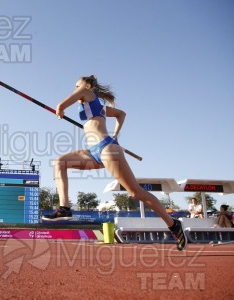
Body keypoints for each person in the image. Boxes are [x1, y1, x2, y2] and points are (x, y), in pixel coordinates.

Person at [41, 75, 187, 251]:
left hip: (106, 148)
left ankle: (173, 224)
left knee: (135, 192)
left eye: (77, 86)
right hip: (93, 152)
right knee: (60, 162)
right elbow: (121, 114)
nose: (75, 89)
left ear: (87, 86)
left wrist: (60, 108)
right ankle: (64, 208)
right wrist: (116, 133)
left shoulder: (86, 92)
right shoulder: (98, 108)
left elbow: (62, 104)